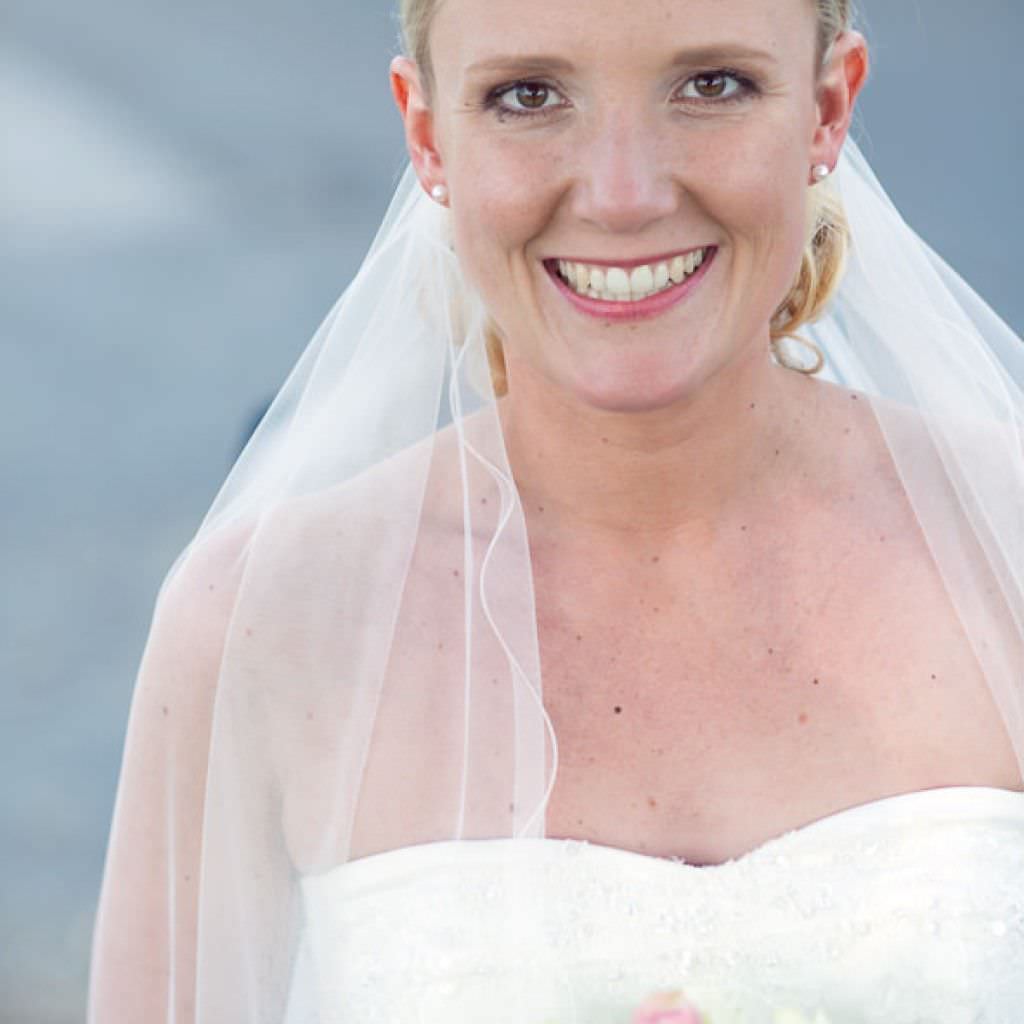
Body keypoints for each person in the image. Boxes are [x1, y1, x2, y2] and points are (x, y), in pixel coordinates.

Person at [88, 0, 1024, 1021]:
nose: (623, 195)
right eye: (526, 96)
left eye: (711, 85)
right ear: (428, 132)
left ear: (826, 108)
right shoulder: (261, 620)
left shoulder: (1004, 540)